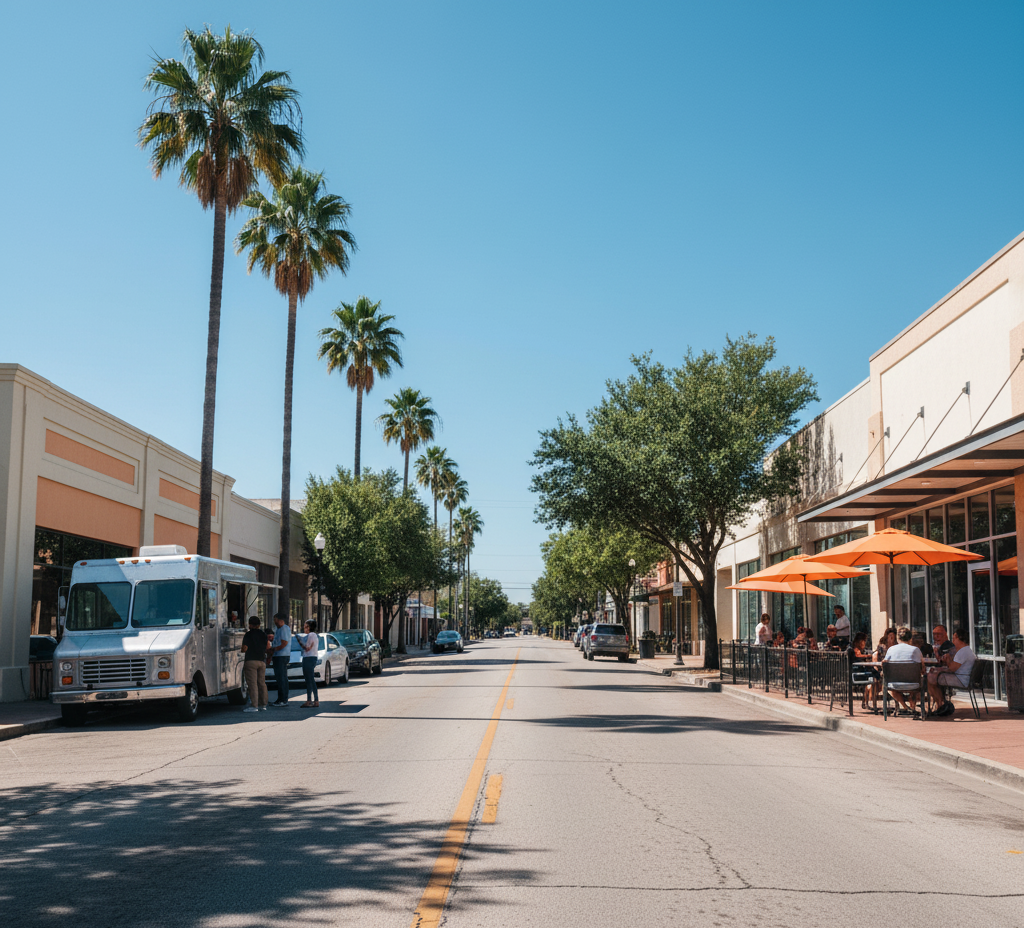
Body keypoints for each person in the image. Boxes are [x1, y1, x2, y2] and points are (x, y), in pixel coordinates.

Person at [927, 628, 976, 717]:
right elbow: (952, 668)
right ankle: (942, 703)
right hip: (962, 677)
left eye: (954, 638)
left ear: (958, 638)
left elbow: (952, 668)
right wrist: (939, 670)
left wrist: (948, 660)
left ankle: (941, 704)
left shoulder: (962, 652)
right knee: (935, 676)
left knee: (929, 678)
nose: (953, 641)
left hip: (960, 679)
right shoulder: (967, 650)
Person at [882, 626, 924, 716]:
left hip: (895, 684)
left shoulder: (891, 650)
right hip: (914, 684)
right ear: (910, 638)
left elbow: (884, 664)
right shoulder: (916, 650)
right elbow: (922, 669)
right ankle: (912, 707)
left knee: (886, 684)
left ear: (898, 638)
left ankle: (905, 706)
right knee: (919, 680)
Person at [240, 616, 269, 712]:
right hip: (262, 661)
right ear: (259, 625)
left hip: (251, 661)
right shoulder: (263, 634)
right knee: (261, 683)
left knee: (252, 684)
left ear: (249, 624)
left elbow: (244, 648)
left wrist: (242, 650)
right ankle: (263, 704)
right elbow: (268, 646)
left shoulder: (248, 635)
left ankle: (254, 705)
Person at [296, 620, 320, 708]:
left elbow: (307, 648)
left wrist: (299, 641)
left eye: (305, 627)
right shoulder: (315, 636)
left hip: (308, 658)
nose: (304, 629)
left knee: (309, 680)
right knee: (310, 679)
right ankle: (312, 699)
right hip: (313, 657)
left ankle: (312, 700)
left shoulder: (311, 635)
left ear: (309, 627)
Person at [269, 613, 292, 707]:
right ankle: (280, 699)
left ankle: (283, 699)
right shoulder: (278, 629)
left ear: (280, 620)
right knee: (279, 678)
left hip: (282, 656)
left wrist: (274, 649)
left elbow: (284, 642)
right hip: (277, 655)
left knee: (282, 678)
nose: (274, 622)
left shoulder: (284, 629)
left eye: (275, 620)